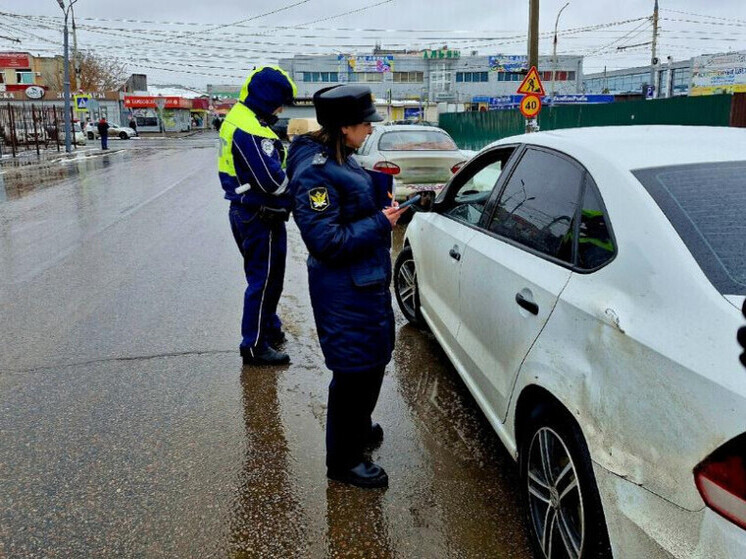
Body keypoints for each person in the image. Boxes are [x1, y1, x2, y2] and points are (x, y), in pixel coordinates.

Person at [287, 84, 408, 488]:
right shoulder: (315, 173)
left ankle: (357, 429)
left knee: (371, 363)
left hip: (363, 283)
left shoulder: (343, 158)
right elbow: (326, 241)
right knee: (354, 373)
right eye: (364, 124)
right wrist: (381, 222)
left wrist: (380, 199)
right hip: (345, 290)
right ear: (343, 128)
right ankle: (343, 461)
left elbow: (349, 205)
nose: (370, 131)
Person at [217, 65, 297, 366]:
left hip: (250, 212)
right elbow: (273, 181)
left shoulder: (246, 119)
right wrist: (297, 185)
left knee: (266, 279)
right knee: (263, 282)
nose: (280, 109)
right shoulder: (249, 129)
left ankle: (269, 328)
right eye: (279, 102)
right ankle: (254, 346)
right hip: (259, 215)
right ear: (266, 98)